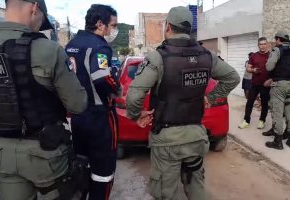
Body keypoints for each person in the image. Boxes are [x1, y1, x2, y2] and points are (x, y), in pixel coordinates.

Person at [126, 6, 240, 200]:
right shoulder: (207, 55)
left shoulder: (158, 57)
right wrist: (211, 98)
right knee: (196, 188)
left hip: (167, 139)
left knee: (165, 192)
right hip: (196, 135)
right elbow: (233, 77)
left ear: (168, 26)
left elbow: (135, 95)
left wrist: (137, 115)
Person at [0, 0, 88, 199]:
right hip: (44, 154)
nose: (40, 26)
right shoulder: (48, 49)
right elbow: (78, 104)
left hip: (1, 153)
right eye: (42, 21)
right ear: (34, 8)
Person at [65, 4, 119, 200]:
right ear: (99, 24)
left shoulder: (71, 44)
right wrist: (117, 88)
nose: (114, 30)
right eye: (113, 25)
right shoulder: (100, 46)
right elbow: (103, 78)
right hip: (100, 119)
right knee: (103, 173)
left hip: (78, 119)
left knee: (81, 167)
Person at [238, 37, 270, 130]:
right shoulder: (254, 56)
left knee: (264, 103)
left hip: (265, 84)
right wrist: (253, 70)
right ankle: (246, 121)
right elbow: (248, 68)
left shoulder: (271, 55)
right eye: (261, 44)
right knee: (249, 102)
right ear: (258, 45)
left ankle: (262, 120)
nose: (263, 46)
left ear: (267, 44)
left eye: (264, 44)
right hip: (255, 83)